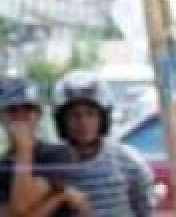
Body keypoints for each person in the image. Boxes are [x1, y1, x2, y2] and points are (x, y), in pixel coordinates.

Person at [51, 72, 153, 217]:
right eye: (74, 115)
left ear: (103, 119)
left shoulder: (127, 161)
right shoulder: (50, 164)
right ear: (62, 122)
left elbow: (145, 210)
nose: (83, 122)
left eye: (91, 114)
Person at [0, 77, 89, 217]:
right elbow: (18, 211)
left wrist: (24, 149)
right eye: (12, 110)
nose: (20, 115)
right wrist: (60, 196)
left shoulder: (59, 153)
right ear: (2, 116)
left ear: (39, 114)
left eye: (28, 108)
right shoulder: (3, 164)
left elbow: (21, 207)